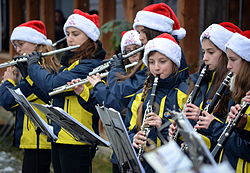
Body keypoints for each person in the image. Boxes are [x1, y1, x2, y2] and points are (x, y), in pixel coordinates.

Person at [26, 9, 106, 173]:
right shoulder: (70, 64)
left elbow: (52, 85)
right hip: (60, 134)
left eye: (75, 34)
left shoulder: (90, 65)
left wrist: (33, 66)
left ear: (90, 37)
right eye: (68, 33)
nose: (69, 39)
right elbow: (50, 95)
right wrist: (28, 74)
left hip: (78, 139)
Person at [169, 22, 242, 149]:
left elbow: (228, 133)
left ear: (226, 55)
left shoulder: (233, 87)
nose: (205, 58)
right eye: (204, 52)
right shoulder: (201, 81)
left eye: (211, 52)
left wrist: (201, 117)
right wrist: (182, 130)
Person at [0, 20, 60, 173]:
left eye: (21, 44)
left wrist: (8, 82)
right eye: (15, 46)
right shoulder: (36, 70)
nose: (18, 50)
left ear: (36, 44)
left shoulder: (40, 72)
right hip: (34, 138)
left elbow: (8, 101)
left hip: (40, 139)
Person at [125, 33, 188, 173]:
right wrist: (133, 139)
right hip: (145, 165)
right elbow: (128, 128)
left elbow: (189, 139)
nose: (156, 68)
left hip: (174, 166)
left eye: (162, 61)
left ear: (174, 63)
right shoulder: (141, 95)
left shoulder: (184, 94)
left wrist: (163, 126)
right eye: (152, 62)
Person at [195, 31, 250, 172]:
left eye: (232, 59)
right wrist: (242, 125)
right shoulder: (239, 95)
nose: (228, 66)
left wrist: (214, 126)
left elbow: (245, 149)